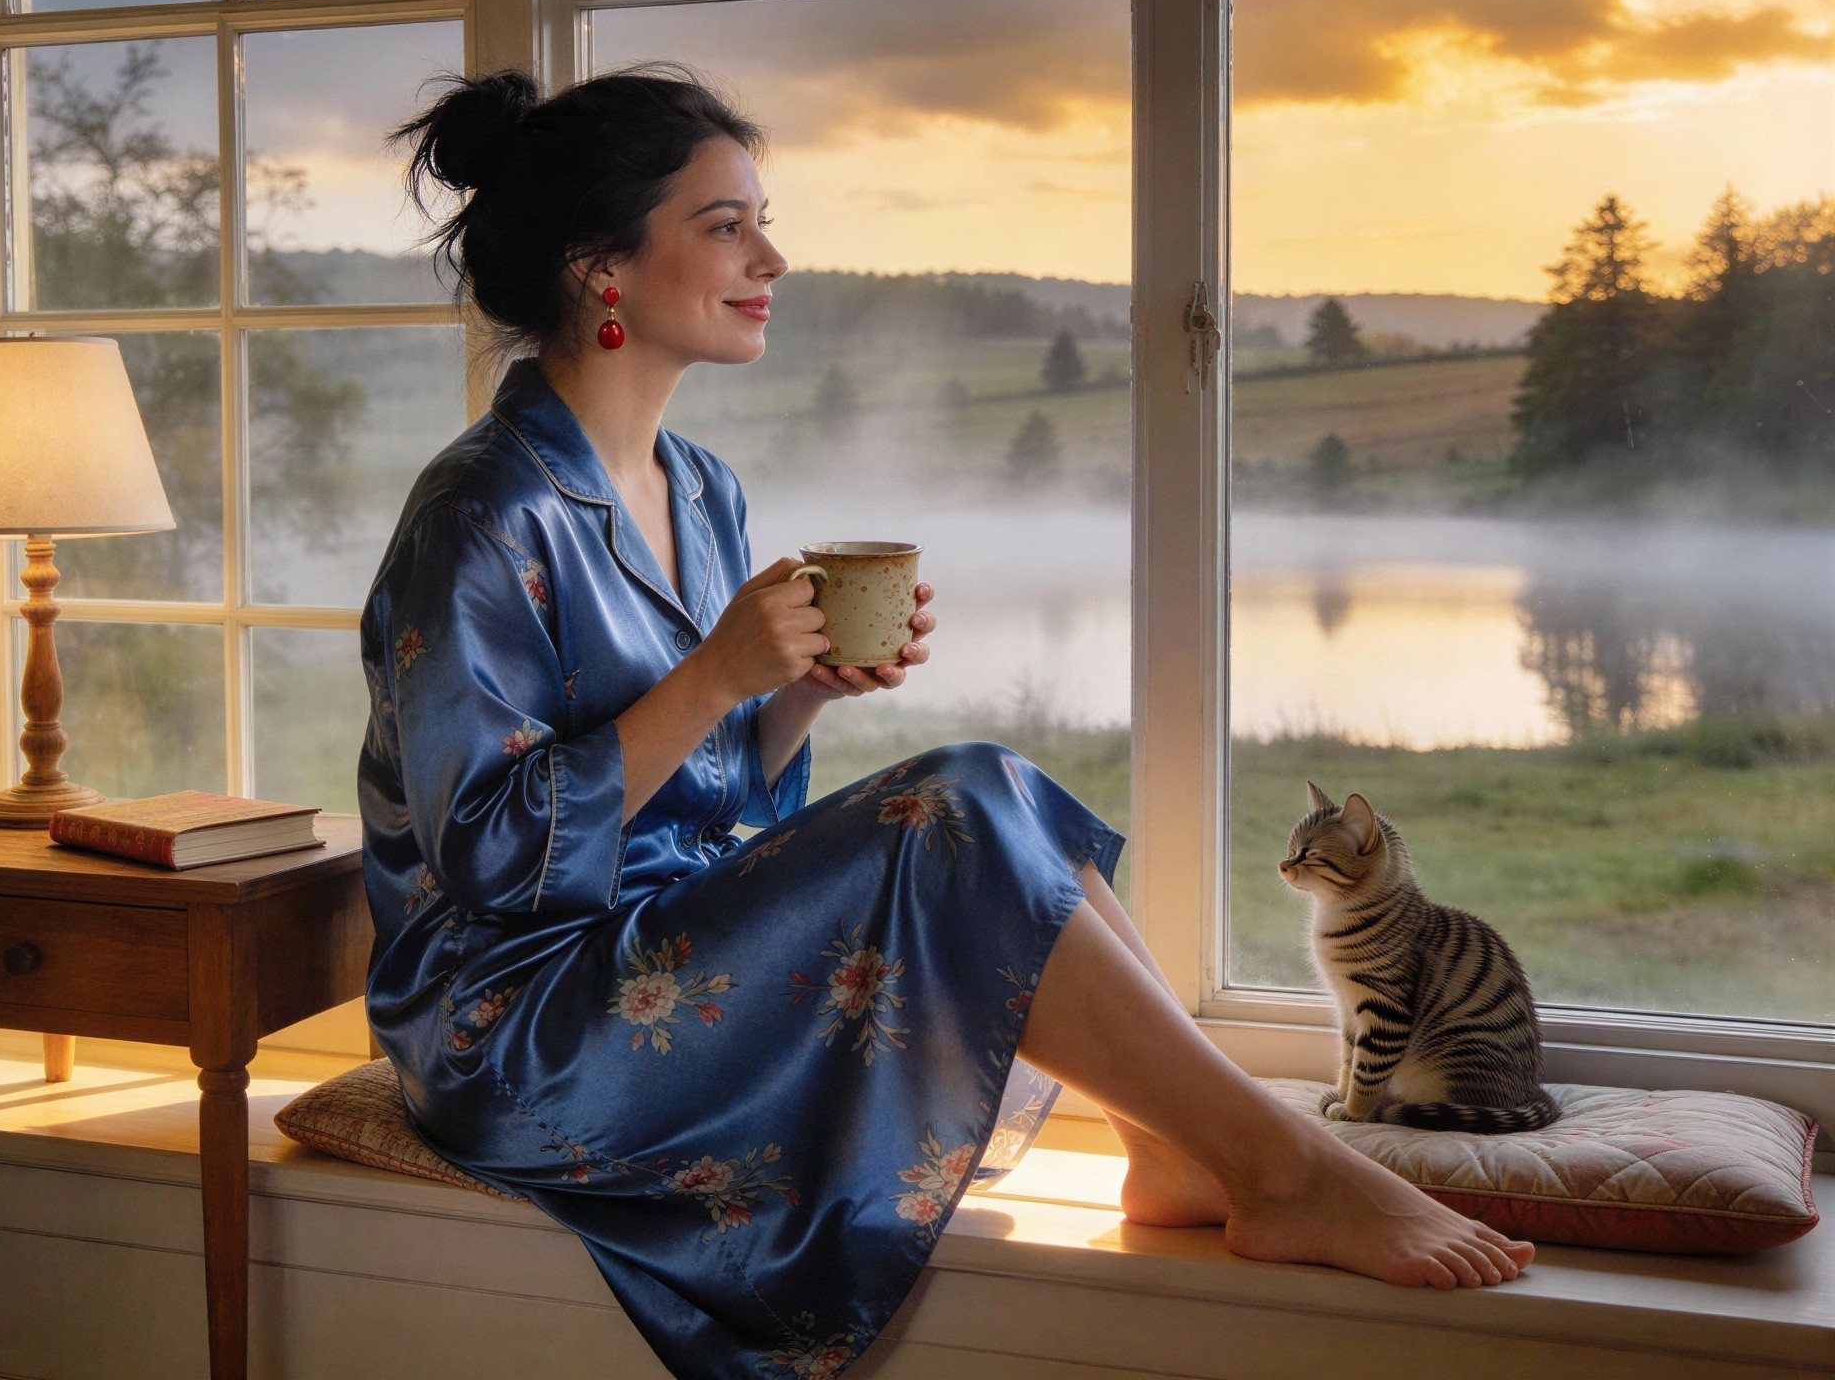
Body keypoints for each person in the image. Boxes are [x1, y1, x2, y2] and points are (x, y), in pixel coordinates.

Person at [356, 66, 1532, 1380]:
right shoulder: (482, 515)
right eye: (726, 227)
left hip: (655, 949)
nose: (771, 261)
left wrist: (801, 688)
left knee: (993, 785)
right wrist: (717, 676)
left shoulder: (697, 488)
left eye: (762, 223)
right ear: (601, 266)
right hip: (517, 1028)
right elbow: (491, 857)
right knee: (957, 806)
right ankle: (1283, 1170)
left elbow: (715, 803)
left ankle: (1171, 1146)